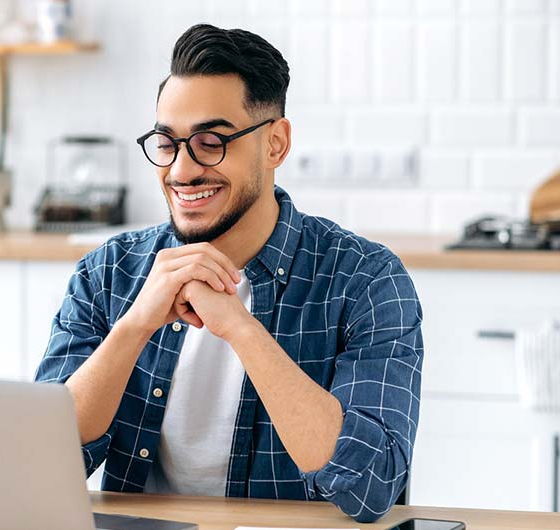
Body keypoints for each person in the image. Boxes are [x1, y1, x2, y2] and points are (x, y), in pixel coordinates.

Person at [35, 23, 423, 524]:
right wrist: (133, 327)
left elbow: (372, 485)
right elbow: (48, 460)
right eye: (167, 142)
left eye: (211, 142)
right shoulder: (109, 272)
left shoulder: (366, 280)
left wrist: (241, 329)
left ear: (275, 145)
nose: (181, 170)